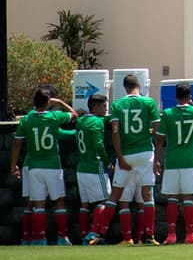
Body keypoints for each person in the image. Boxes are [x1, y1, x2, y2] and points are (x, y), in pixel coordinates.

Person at [88, 73, 161, 245]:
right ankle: (149, 237)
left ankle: (100, 235)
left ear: (125, 87)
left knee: (115, 196)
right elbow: (157, 133)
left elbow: (115, 132)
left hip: (126, 153)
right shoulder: (149, 103)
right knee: (147, 195)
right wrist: (156, 158)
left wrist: (119, 157)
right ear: (139, 86)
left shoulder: (117, 104)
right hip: (145, 153)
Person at [9, 87, 76, 246]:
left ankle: (39, 239)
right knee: (58, 202)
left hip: (34, 167)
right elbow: (74, 115)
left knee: (38, 205)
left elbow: (17, 144)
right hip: (52, 165)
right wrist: (59, 102)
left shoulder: (27, 120)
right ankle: (62, 237)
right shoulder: (54, 117)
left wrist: (13, 166)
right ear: (48, 102)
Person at [154, 82, 193, 244]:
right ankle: (190, 234)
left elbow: (159, 139)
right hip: (190, 161)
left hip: (172, 160)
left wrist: (156, 160)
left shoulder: (168, 113)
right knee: (188, 198)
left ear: (176, 96)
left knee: (172, 198)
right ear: (190, 95)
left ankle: (171, 235)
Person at [75, 93, 111, 245]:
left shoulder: (81, 121)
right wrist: (108, 162)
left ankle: (83, 235)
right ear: (95, 107)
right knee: (104, 200)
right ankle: (93, 233)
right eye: (104, 106)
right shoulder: (96, 123)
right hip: (95, 168)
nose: (106, 109)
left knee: (84, 203)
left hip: (81, 168)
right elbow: (98, 145)